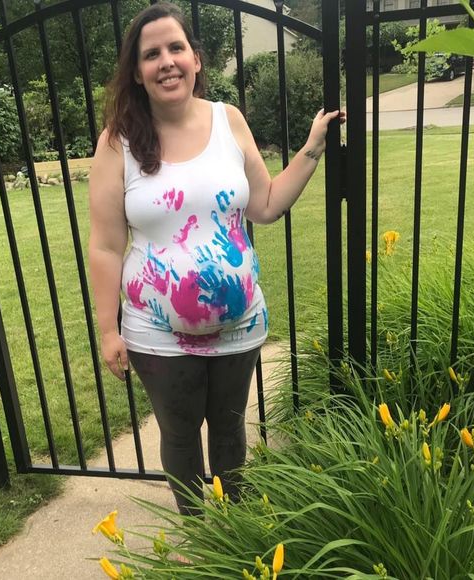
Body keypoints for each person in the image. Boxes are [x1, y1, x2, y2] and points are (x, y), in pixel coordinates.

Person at [88, 2, 344, 515]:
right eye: (151, 54)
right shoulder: (119, 142)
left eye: (176, 48)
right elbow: (106, 245)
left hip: (239, 326)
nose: (167, 61)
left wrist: (313, 148)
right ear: (136, 72)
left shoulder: (228, 120)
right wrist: (108, 330)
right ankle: (198, 530)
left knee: (230, 432)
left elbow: (264, 204)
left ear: (196, 59)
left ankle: (235, 533)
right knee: (179, 435)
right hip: (156, 332)